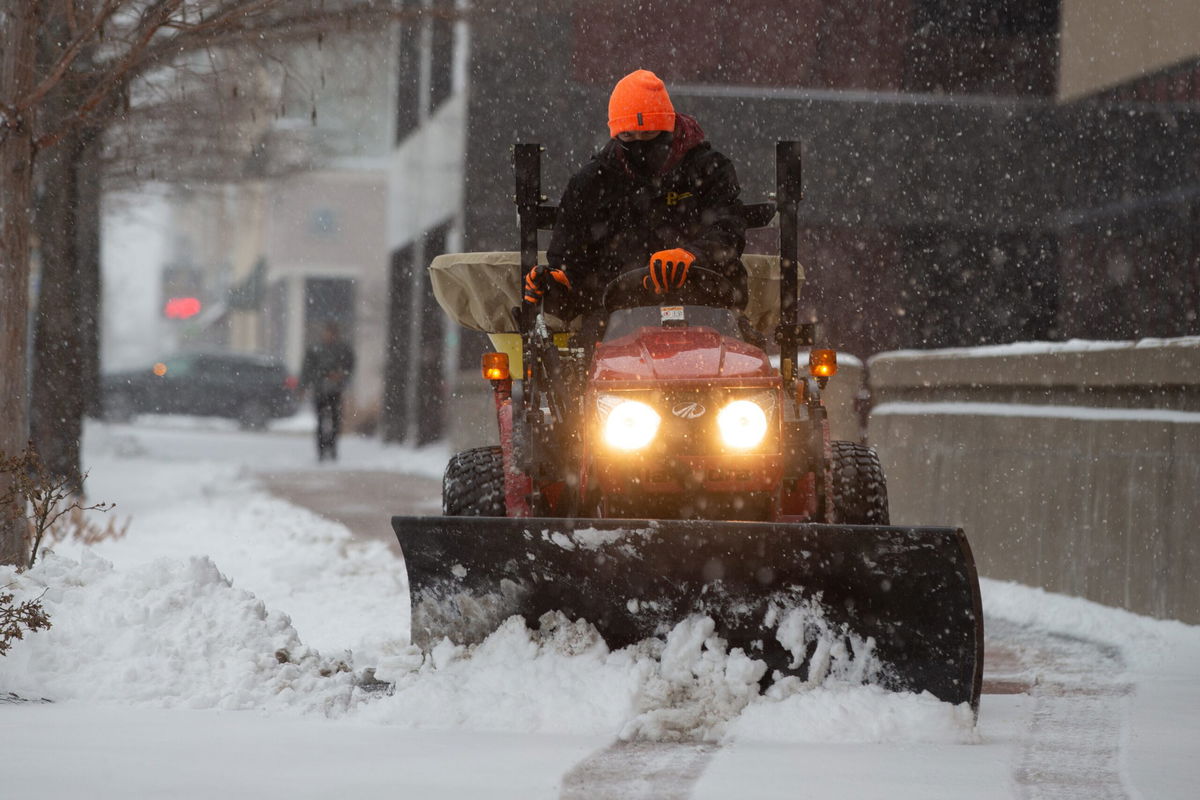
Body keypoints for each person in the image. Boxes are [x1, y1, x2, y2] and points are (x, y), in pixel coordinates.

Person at [524, 68, 747, 332]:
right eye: (628, 136)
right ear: (615, 135)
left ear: (669, 128)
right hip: (613, 318)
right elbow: (570, 260)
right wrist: (559, 283)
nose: (640, 145)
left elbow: (729, 230)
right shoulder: (590, 184)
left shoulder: (709, 169)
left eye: (650, 134)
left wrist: (692, 255)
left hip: (708, 306)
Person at [299, 322, 355, 462]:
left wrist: (341, 375)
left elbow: (350, 366)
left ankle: (332, 448)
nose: (329, 336)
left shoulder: (343, 349)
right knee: (320, 421)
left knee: (335, 421)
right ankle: (321, 451)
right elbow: (307, 369)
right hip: (320, 390)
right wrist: (303, 386)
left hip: (335, 390)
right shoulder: (315, 349)